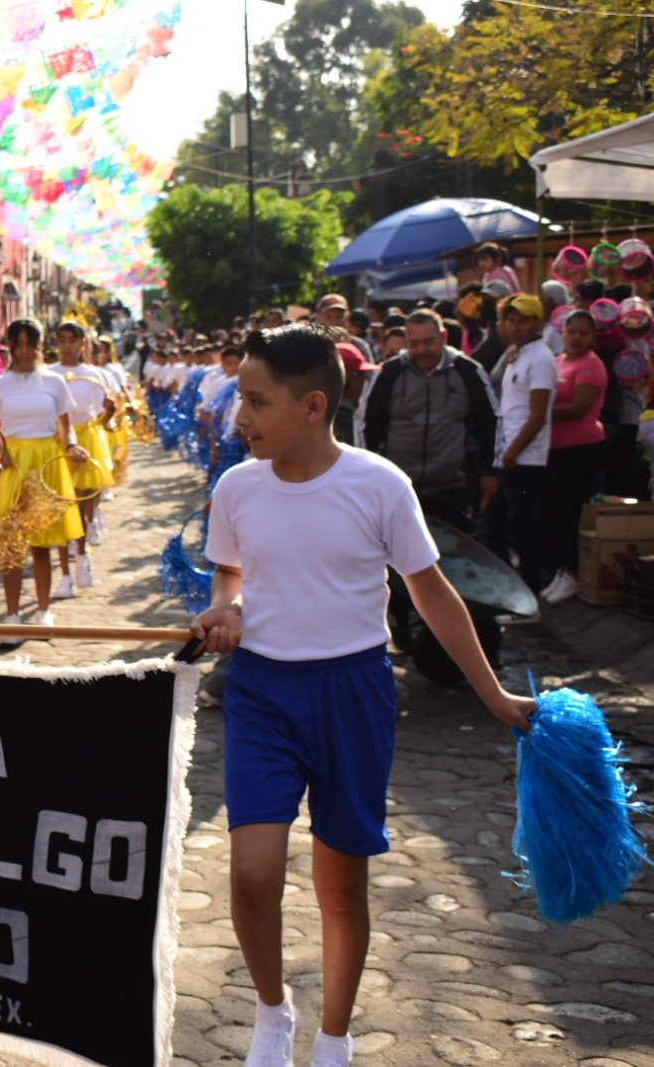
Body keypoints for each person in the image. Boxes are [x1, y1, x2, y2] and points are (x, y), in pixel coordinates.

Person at [191, 323, 532, 1067]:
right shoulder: (235, 486)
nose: (238, 416)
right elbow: (230, 575)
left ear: (314, 405)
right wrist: (226, 608)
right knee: (251, 872)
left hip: (354, 692)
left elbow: (435, 595)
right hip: (262, 694)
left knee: (341, 884)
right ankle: (272, 1012)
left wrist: (496, 695)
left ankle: (335, 1035)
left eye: (256, 400)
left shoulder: (379, 484)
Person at [0, 318, 85, 626]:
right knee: (12, 545)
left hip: (45, 465)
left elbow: (67, 429)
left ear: (40, 346)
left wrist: (73, 448)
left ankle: (43, 610)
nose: (24, 352)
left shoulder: (54, 382)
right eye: (18, 345)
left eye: (30, 345)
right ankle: (12, 614)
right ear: (10, 346)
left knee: (42, 544)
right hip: (13, 466)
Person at [360, 308, 498, 531]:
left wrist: (489, 472)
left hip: (451, 489)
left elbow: (490, 422)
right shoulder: (389, 373)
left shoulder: (467, 371)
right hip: (398, 488)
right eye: (414, 343)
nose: (422, 350)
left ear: (443, 338)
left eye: (428, 342)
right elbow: (369, 427)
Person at [477, 295, 556, 593]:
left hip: (525, 459)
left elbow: (537, 416)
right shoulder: (518, 353)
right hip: (508, 454)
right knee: (498, 528)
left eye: (523, 320)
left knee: (522, 530)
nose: (516, 326)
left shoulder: (541, 358)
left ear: (538, 323)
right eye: (511, 319)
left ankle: (530, 590)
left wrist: (512, 453)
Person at [539, 310, 608, 605]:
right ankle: (559, 569)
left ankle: (573, 571)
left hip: (580, 450)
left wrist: (535, 410)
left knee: (571, 512)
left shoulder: (592, 366)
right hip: (553, 449)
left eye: (584, 333)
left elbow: (580, 407)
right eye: (572, 331)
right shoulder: (557, 361)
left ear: (593, 337)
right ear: (562, 333)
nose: (577, 337)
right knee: (554, 510)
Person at [53, 321, 113, 593]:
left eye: (72, 340)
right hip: (57, 441)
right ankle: (65, 572)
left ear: (81, 343)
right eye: (62, 339)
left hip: (86, 438)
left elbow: (104, 411)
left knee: (80, 503)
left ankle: (81, 555)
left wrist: (108, 415)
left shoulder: (92, 374)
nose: (67, 345)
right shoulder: (49, 374)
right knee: (61, 506)